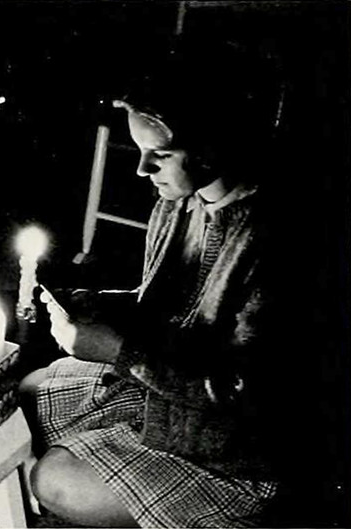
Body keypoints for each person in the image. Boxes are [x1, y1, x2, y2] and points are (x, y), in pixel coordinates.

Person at [22, 41, 291, 527]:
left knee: (53, 479)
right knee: (28, 391)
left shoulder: (275, 241)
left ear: (214, 145)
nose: (142, 169)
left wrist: (117, 351)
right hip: (163, 389)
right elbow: (172, 306)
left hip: (231, 450)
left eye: (160, 155)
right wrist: (102, 305)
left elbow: (244, 391)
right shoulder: (178, 200)